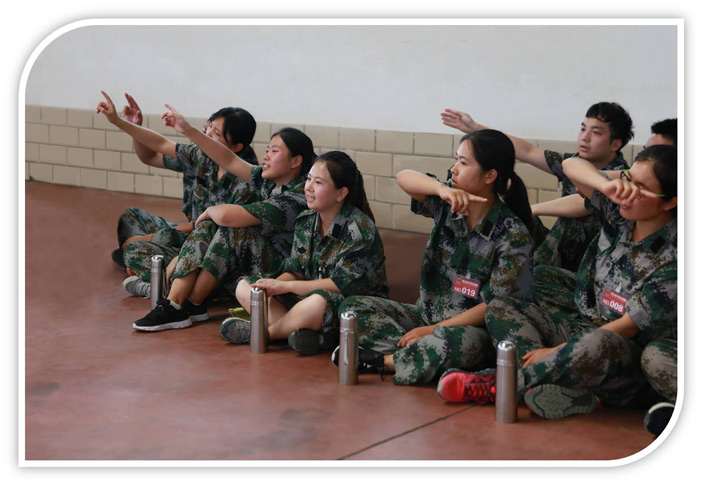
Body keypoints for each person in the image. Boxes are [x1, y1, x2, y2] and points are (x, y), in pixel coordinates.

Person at [438, 145, 677, 421]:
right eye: (628, 179)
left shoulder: (676, 258)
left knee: (599, 341)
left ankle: (502, 385)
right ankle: (553, 385)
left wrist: (555, 352)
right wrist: (605, 185)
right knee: (502, 305)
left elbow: (628, 326)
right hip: (588, 325)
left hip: (626, 357)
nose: (628, 191)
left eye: (640, 188)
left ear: (670, 202)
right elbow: (570, 166)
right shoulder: (620, 211)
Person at [336, 129, 534, 385]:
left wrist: (433, 331)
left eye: (464, 163)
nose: (454, 169)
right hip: (424, 315)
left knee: (460, 344)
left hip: (470, 331)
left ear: (490, 175)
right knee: (351, 308)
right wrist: (441, 189)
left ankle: (384, 361)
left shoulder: (513, 235)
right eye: (456, 160)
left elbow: (495, 305)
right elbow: (404, 177)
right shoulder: (447, 202)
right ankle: (415, 357)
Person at [130, 105, 315, 332]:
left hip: (280, 271)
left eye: (274, 152)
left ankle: (180, 300)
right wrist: (185, 129)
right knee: (138, 239)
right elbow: (228, 159)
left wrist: (209, 212)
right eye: (267, 149)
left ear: (295, 162)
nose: (266, 156)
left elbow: (227, 216)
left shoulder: (296, 197)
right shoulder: (270, 180)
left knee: (226, 228)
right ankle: (179, 303)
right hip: (234, 254)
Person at [221, 151, 389, 355]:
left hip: (349, 306)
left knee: (318, 302)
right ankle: (303, 333)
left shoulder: (359, 229)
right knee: (247, 287)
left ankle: (264, 333)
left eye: (318, 182)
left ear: (341, 193)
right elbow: (296, 269)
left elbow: (340, 285)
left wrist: (287, 286)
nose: (308, 187)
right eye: (309, 179)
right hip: (306, 299)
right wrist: (273, 286)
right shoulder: (306, 220)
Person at [96, 92, 257, 297]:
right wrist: (130, 125)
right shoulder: (202, 156)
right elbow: (153, 153)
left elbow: (208, 229)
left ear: (236, 147)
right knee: (131, 217)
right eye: (208, 126)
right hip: (189, 234)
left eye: (215, 132)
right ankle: (154, 267)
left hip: (212, 249)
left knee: (136, 249)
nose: (207, 134)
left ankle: (162, 280)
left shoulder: (247, 179)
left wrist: (151, 238)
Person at [442, 102, 632, 272]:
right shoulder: (574, 162)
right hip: (566, 247)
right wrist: (475, 129)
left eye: (596, 133)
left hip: (597, 256)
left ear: (615, 144)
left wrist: (534, 209)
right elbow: (528, 151)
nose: (585, 137)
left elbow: (583, 203)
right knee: (514, 218)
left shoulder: (622, 176)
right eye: (583, 129)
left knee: (570, 221)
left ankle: (534, 273)